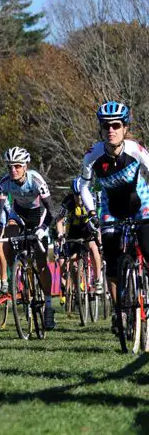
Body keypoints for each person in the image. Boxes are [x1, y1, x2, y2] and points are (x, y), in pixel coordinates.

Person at [77, 101, 149, 333]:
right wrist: (90, 214)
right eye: (106, 126)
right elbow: (84, 187)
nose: (111, 130)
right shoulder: (93, 155)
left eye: (116, 125)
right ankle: (120, 311)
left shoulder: (135, 150)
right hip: (111, 207)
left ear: (125, 128)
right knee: (112, 261)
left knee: (148, 248)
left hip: (140, 203)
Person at [0, 146, 58, 329]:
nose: (13, 170)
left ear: (25, 166)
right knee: (8, 234)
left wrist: (43, 228)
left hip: (39, 216)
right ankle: (14, 268)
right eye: (9, 167)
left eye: (17, 166)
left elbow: (52, 211)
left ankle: (48, 306)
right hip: (19, 214)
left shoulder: (36, 180)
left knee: (41, 261)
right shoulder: (5, 182)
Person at [54, 177, 103, 300]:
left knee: (93, 248)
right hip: (74, 231)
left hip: (89, 228)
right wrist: (60, 234)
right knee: (72, 261)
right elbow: (59, 220)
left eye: (81, 195)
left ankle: (98, 280)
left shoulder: (92, 199)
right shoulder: (68, 202)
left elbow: (99, 221)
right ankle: (77, 290)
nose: (79, 198)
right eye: (76, 195)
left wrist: (99, 236)